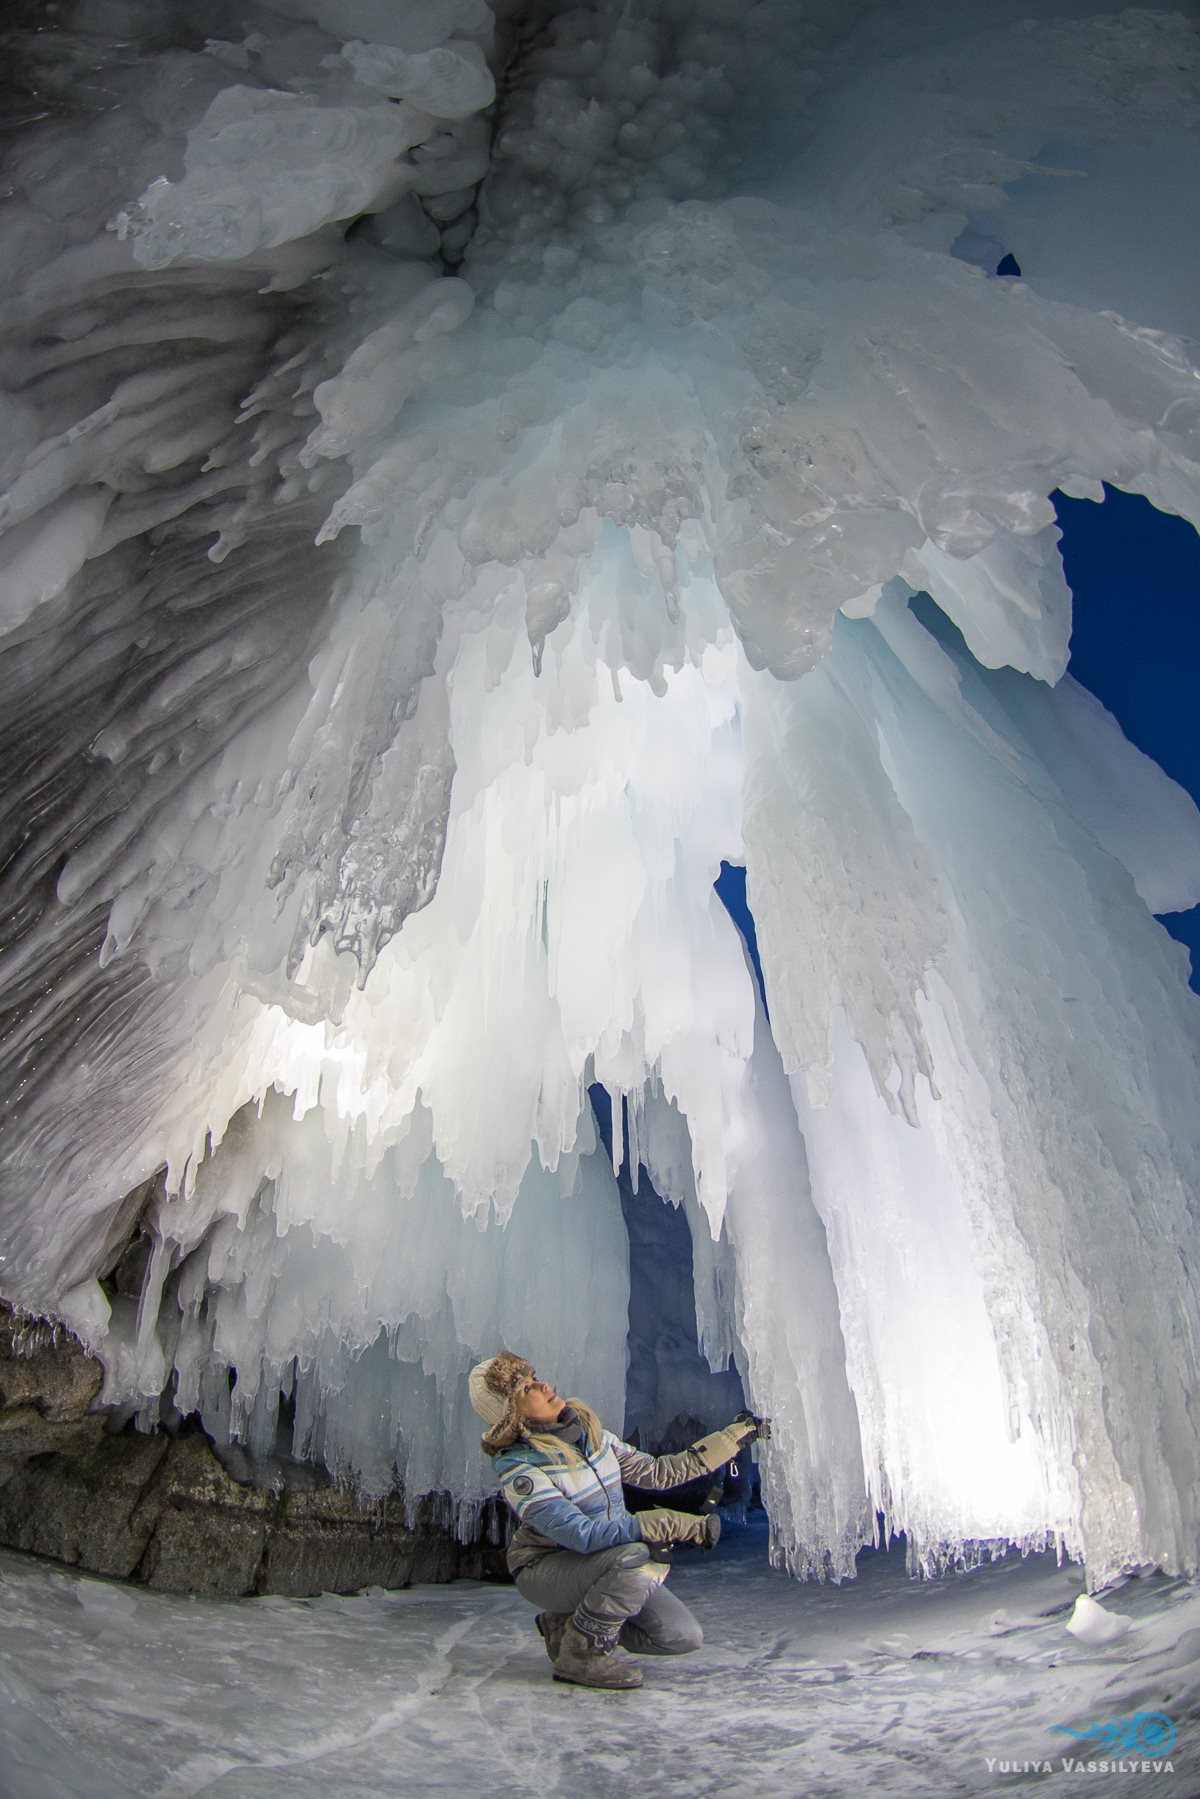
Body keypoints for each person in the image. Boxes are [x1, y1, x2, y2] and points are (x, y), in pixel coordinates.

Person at [469, 1348, 762, 1690]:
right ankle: (581, 1654)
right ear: (510, 1415)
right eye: (525, 1389)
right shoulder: (521, 1469)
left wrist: (731, 1438)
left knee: (680, 1636)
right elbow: (582, 1534)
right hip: (544, 1568)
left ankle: (566, 1628)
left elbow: (659, 1472)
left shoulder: (593, 1438)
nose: (543, 1385)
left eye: (533, 1378)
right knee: (639, 1557)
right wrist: (667, 1525)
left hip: (603, 1562)